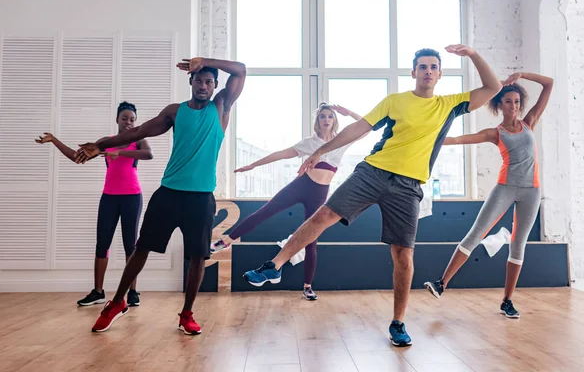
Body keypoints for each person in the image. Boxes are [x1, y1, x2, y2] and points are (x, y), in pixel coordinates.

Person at [242, 44, 502, 347]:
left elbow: (493, 87)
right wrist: (321, 151)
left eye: (433, 67)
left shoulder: (450, 104)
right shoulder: (395, 101)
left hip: (408, 186)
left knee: (403, 256)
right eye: (422, 67)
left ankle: (398, 322)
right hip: (372, 172)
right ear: (413, 71)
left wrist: (471, 55)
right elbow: (358, 128)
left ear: (440, 74)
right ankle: (274, 265)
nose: (428, 71)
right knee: (324, 215)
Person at [74, 57, 246, 334]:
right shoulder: (175, 112)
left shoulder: (221, 107)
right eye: (199, 80)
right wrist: (100, 145)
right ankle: (117, 302)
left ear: (215, 87)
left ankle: (187, 314)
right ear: (190, 82)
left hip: (201, 197)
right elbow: (140, 131)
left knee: (198, 257)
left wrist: (204, 60)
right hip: (168, 193)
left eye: (209, 82)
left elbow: (240, 70)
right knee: (141, 248)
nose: (203, 86)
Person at [423, 72, 553, 318]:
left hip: (531, 191)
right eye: (508, 102)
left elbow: (549, 84)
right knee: (475, 234)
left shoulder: (530, 122)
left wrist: (523, 75)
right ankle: (442, 283)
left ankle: (507, 301)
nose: (513, 106)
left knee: (518, 244)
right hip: (504, 188)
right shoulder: (495, 133)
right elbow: (460, 139)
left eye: (516, 102)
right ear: (499, 105)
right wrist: (432, 139)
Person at [211, 103, 365, 301]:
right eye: (322, 117)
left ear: (335, 120)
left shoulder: (341, 141)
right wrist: (253, 164)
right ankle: (226, 241)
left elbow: (363, 128)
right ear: (317, 122)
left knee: (311, 240)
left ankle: (307, 286)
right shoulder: (309, 142)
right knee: (265, 212)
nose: (326, 120)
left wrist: (348, 112)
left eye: (330, 117)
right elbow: (281, 154)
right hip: (301, 185)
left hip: (320, 193)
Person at [35, 102, 152, 308]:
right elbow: (76, 157)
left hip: (132, 197)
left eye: (132, 120)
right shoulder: (106, 142)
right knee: (102, 244)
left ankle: (132, 292)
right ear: (117, 119)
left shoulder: (138, 140)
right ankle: (98, 291)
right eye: (124, 118)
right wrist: (54, 140)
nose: (128, 123)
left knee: (130, 245)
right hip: (109, 197)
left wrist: (120, 153)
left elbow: (148, 155)